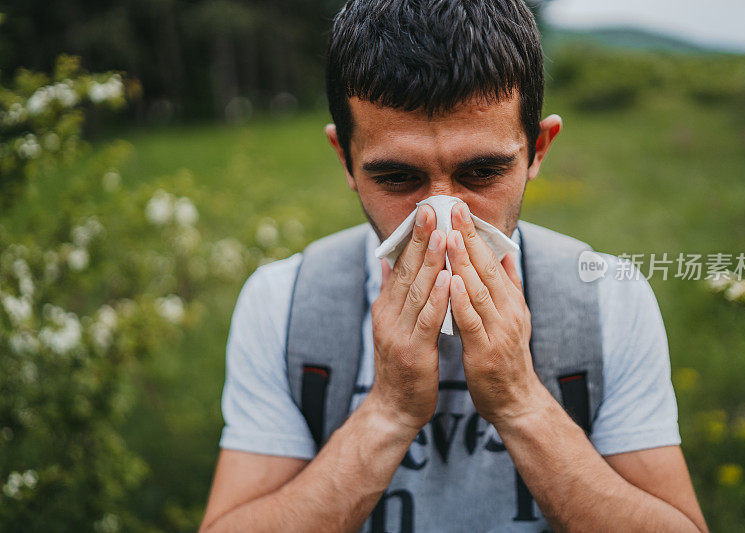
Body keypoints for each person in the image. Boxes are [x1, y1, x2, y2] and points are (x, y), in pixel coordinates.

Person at [200, 1, 709, 531]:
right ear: (346, 160)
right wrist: (389, 411)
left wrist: (519, 402)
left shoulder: (608, 297)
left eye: (482, 172)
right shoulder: (283, 303)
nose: (443, 221)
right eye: (398, 178)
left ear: (537, 149)